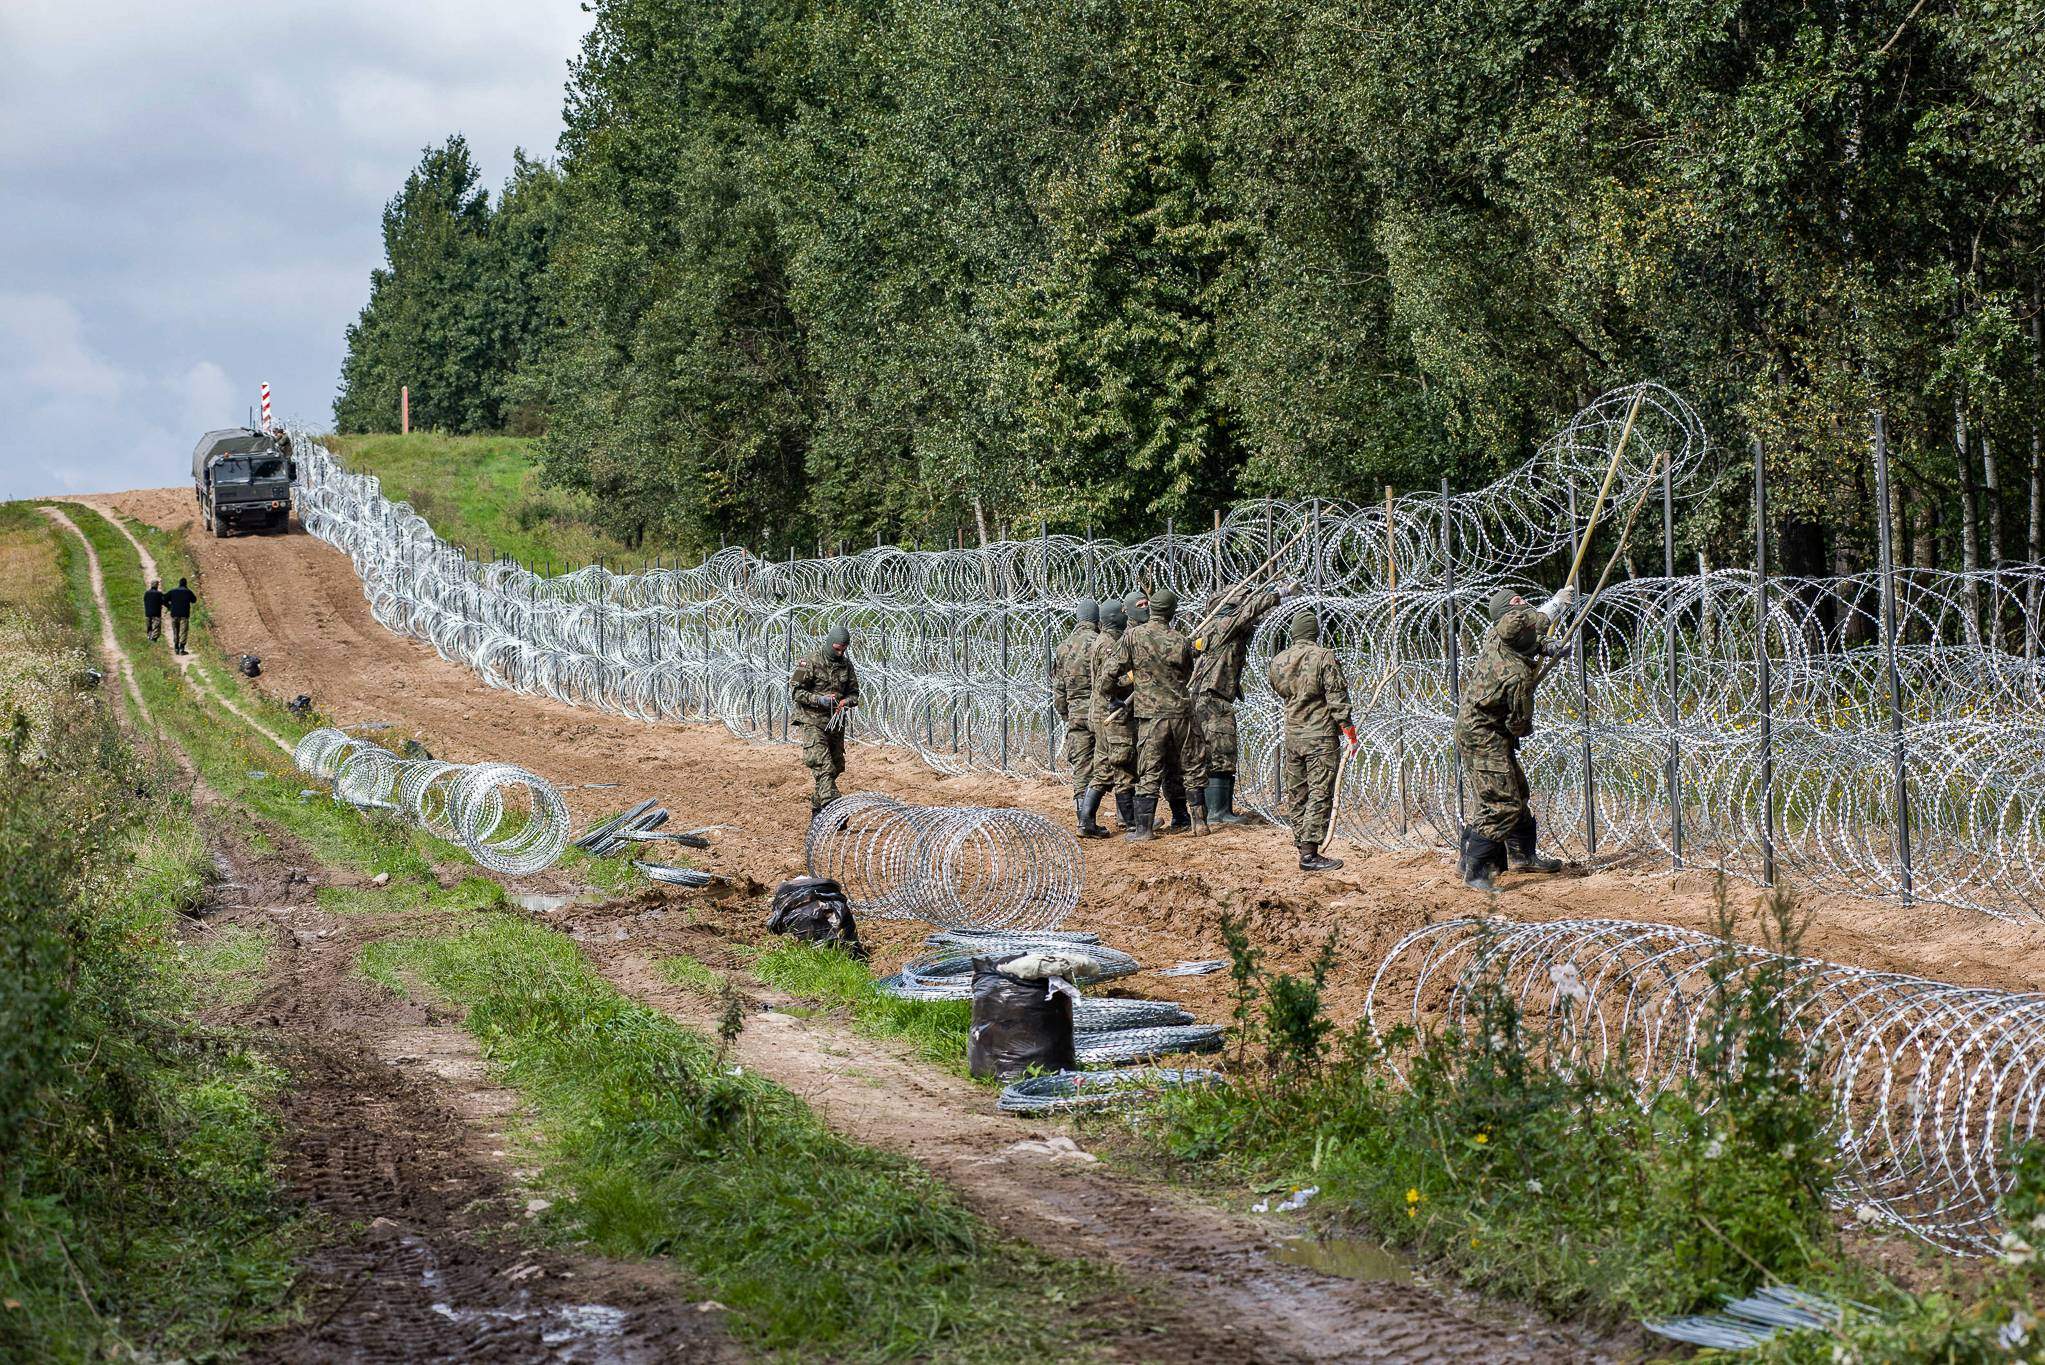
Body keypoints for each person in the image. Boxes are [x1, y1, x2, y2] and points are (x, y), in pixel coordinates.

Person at [1453, 585, 1577, 891]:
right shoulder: (1516, 673)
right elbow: (1520, 723)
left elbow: (1526, 636)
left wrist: (1548, 647)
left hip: (1482, 729)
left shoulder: (1496, 637)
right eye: (1517, 605)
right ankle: (1476, 869)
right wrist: (1555, 606)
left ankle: (1522, 856)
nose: (1524, 607)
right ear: (1509, 618)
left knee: (1515, 791)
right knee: (1502, 802)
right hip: (1483, 733)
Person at [1185, 580, 1290, 827]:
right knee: (1221, 752)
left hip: (1210, 698)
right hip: (1212, 700)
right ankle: (1218, 812)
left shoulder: (1219, 628)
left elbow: (1252, 616)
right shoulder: (1223, 625)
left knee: (1219, 751)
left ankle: (1219, 810)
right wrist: (1277, 594)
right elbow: (1249, 611)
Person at [1267, 611, 1357, 871]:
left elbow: (1278, 688)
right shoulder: (1323, 656)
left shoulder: (1279, 660)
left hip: (1293, 735)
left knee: (1298, 793)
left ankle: (1301, 843)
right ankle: (1309, 854)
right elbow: (1336, 696)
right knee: (1320, 792)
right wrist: (1348, 730)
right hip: (1320, 736)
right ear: (1314, 632)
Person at [1113, 585, 1198, 840]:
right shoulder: (1180, 639)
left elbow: (1112, 669)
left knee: (1150, 770)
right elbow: (1188, 673)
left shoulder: (1134, 636)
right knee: (1188, 766)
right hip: (1180, 712)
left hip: (1152, 715)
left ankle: (1144, 829)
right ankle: (1198, 822)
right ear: (1172, 611)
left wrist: (1112, 696)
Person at [790, 623, 861, 817]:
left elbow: (854, 693)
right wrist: (819, 700)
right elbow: (796, 691)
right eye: (837, 649)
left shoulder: (846, 665)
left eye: (844, 650)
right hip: (812, 720)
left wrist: (846, 701)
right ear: (830, 644)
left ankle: (817, 807)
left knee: (836, 766)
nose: (840, 653)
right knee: (822, 764)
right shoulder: (810, 661)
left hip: (835, 722)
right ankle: (834, 809)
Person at [1051, 598, 1108, 838]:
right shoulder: (1101, 642)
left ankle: (1084, 819)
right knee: (1111, 762)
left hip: (1076, 712)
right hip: (1101, 710)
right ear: (1097, 619)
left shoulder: (1064, 646)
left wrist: (1066, 713)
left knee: (1082, 767)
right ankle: (1129, 818)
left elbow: (1059, 688)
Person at [1088, 601, 1137, 830]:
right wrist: (1135, 676)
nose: (1126, 616)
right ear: (1114, 618)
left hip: (1102, 712)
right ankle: (1129, 821)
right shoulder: (1109, 644)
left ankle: (1086, 820)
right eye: (1122, 613)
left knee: (1105, 767)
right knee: (1122, 763)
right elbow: (1109, 680)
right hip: (1111, 712)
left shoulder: (1104, 639)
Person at [163, 577, 197, 654]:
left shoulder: (173, 591)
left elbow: (163, 599)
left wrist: (169, 607)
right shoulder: (188, 592)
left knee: (176, 631)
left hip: (174, 614)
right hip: (184, 615)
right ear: (186, 584)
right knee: (183, 631)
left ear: (179, 583)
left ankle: (176, 647)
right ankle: (182, 648)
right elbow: (194, 600)